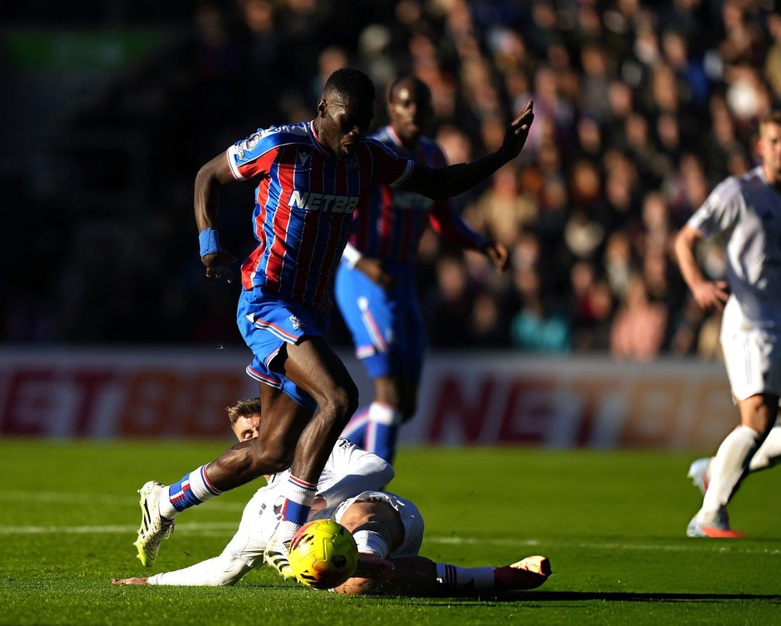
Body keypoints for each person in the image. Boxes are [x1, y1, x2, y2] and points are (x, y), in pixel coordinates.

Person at [134, 68, 535, 573]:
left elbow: (435, 184)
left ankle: (165, 500)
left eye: (364, 124)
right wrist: (209, 243)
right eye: (347, 123)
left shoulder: (367, 158)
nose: (355, 134)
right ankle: (289, 532)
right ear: (323, 109)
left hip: (311, 313)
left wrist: (501, 156)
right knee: (341, 396)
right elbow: (207, 176)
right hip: (266, 300)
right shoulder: (281, 146)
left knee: (273, 452)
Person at [115, 399, 551, 596]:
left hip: (383, 519)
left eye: (260, 429)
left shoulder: (320, 450)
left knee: (358, 514)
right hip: (346, 561)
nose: (254, 440)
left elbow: (380, 468)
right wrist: (153, 583)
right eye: (245, 437)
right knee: (355, 584)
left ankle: (367, 556)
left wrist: (317, 499)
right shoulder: (259, 510)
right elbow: (224, 570)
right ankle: (493, 578)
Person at [335, 75, 509, 464]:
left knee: (405, 405)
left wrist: (481, 243)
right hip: (363, 277)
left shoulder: (433, 155)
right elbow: (335, 212)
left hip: (402, 280)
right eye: (405, 103)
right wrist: (360, 260)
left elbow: (443, 219)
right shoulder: (371, 152)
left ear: (431, 112)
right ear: (391, 109)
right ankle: (371, 483)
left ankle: (328, 454)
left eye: (420, 105)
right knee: (389, 395)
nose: (413, 111)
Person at [674, 107, 781, 538]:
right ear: (760, 146)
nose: (780, 149)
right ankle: (709, 515)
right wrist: (698, 284)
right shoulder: (738, 193)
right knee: (758, 419)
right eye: (773, 141)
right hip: (749, 323)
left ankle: (717, 469)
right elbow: (685, 239)